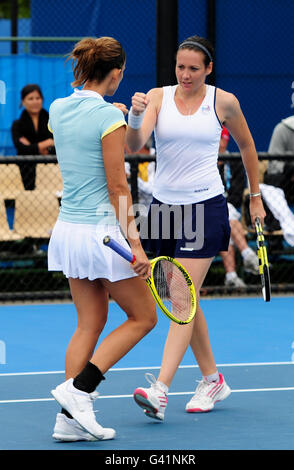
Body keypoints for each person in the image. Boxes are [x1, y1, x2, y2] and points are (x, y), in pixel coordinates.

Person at [126, 35, 265, 421]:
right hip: (164, 208)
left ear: (208, 69)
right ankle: (212, 379)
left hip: (205, 206)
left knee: (183, 298)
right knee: (182, 297)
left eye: (193, 68)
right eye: (180, 67)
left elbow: (248, 147)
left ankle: (160, 390)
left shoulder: (224, 102)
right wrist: (135, 115)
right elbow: (135, 143)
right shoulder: (156, 97)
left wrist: (255, 196)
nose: (185, 74)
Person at [47, 36, 157, 441]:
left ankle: (67, 420)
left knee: (89, 322)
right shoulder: (110, 117)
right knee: (144, 316)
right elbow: (117, 186)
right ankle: (79, 390)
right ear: (116, 74)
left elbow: (82, 130)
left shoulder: (57, 109)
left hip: (68, 231)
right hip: (102, 233)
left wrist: (113, 113)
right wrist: (138, 246)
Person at [218, 127, 259, 288]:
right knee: (225, 218)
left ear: (226, 140)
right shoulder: (205, 163)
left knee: (225, 220)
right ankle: (247, 253)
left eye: (222, 139)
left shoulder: (234, 162)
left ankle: (231, 275)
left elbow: (236, 192)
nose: (219, 143)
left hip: (229, 208)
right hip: (209, 210)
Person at [11, 84, 55, 190]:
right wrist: (46, 143)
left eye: (38, 98)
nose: (35, 102)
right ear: (23, 101)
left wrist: (32, 146)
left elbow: (57, 147)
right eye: (30, 98)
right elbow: (21, 149)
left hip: (50, 173)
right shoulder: (17, 125)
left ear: (42, 99)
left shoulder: (52, 121)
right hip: (26, 172)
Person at [264, 99, 294, 205]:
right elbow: (273, 164)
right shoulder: (282, 129)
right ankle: (281, 219)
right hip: (286, 178)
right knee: (276, 179)